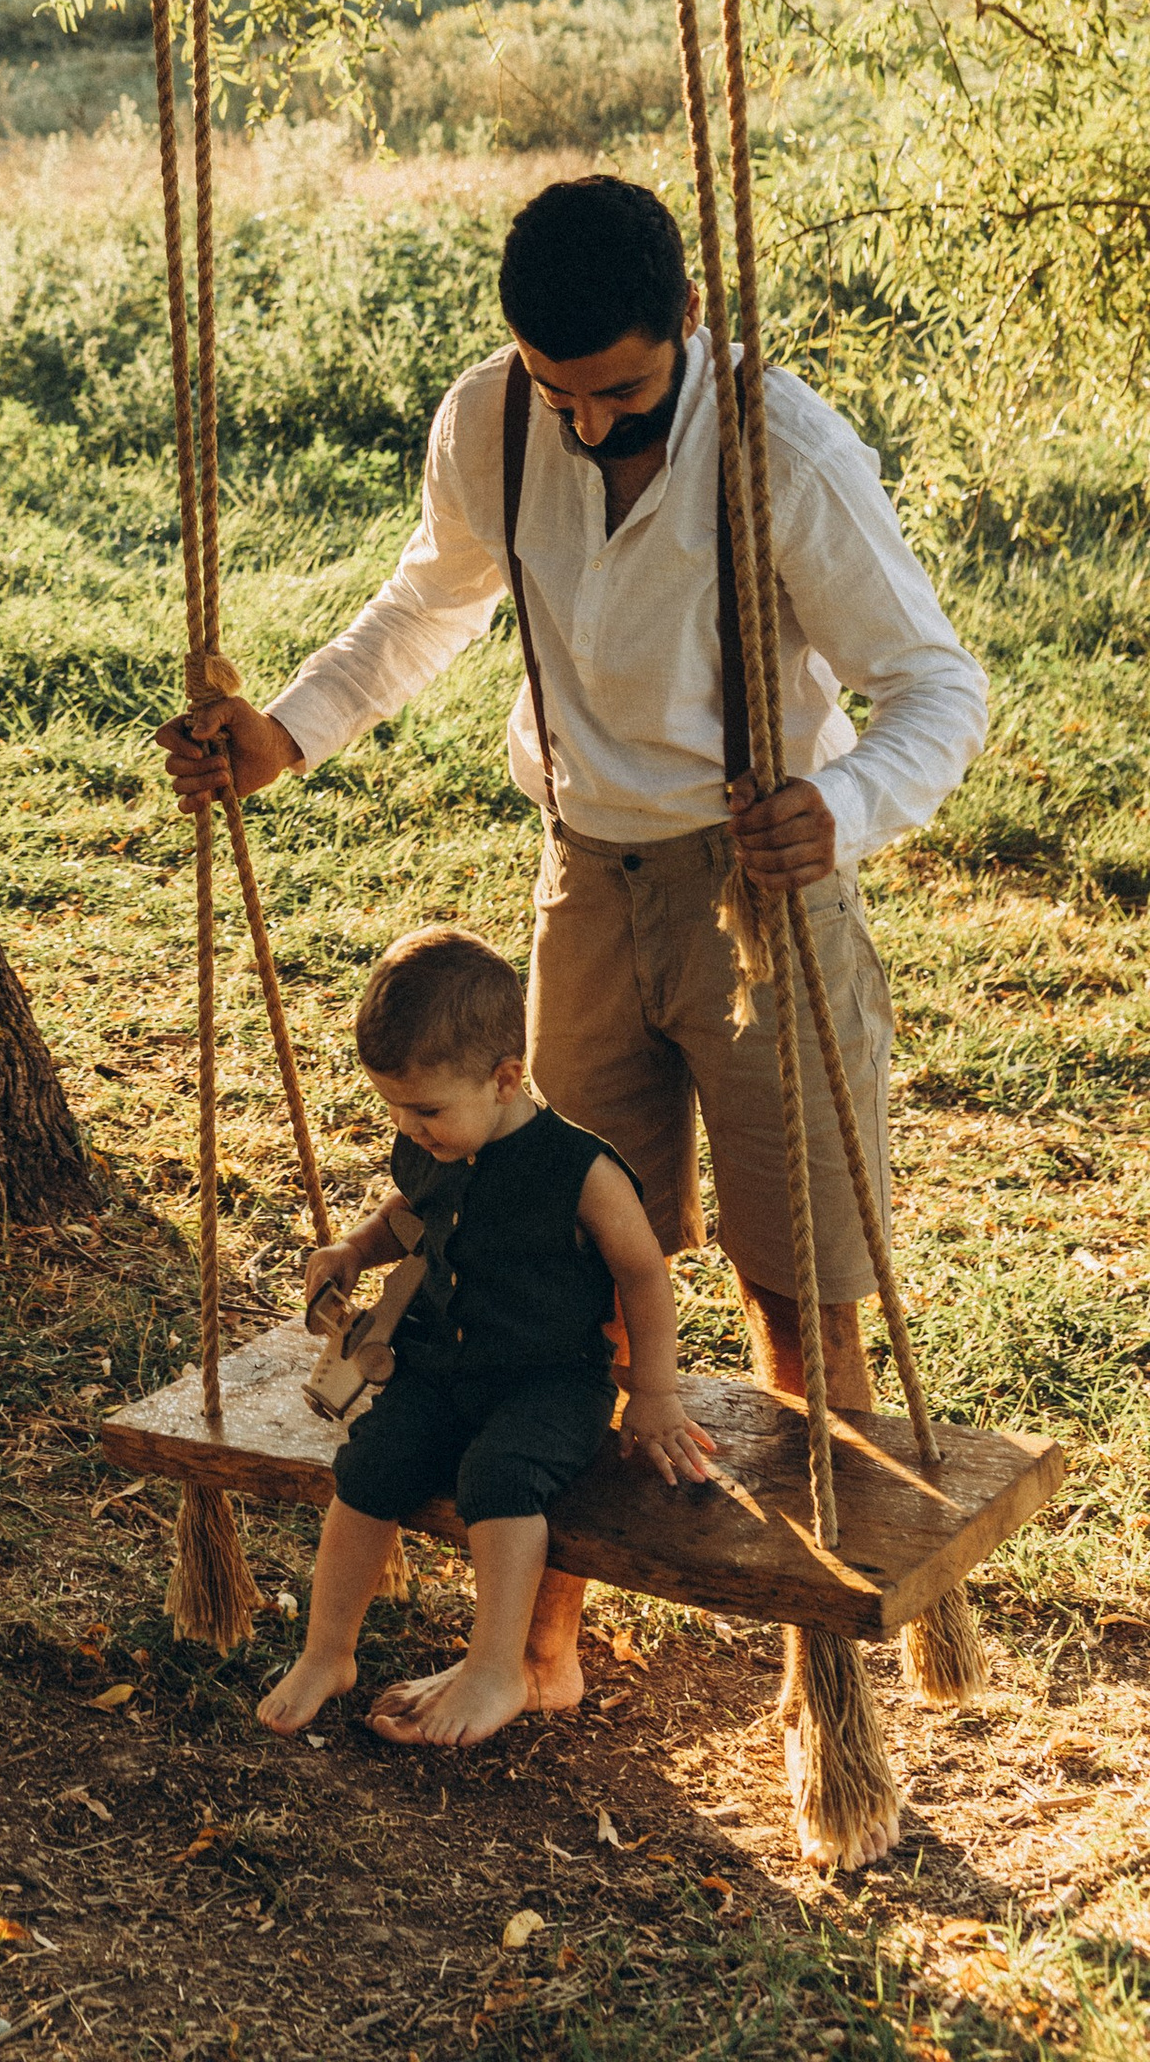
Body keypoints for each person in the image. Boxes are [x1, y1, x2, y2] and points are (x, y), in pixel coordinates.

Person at [160, 171, 985, 1755]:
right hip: (586, 876)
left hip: (759, 878)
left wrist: (842, 805)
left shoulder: (782, 453)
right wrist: (289, 734)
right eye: (558, 392)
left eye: (616, 390)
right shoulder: (495, 421)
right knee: (564, 1273)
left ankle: (830, 1683)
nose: (586, 424)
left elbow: (934, 685)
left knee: (792, 1274)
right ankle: (542, 1644)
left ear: (686, 324)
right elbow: (431, 601)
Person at [261, 924, 715, 1748]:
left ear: (507, 1078)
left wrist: (652, 1393)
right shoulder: (434, 1143)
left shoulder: (579, 1169)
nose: (409, 1125)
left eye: (426, 1108)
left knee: (498, 1479)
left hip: (550, 1382)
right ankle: (328, 1650)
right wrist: (356, 1249)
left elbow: (644, 1274)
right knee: (370, 1464)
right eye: (393, 1106)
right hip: (441, 1369)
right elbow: (412, 1213)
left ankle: (498, 1664)